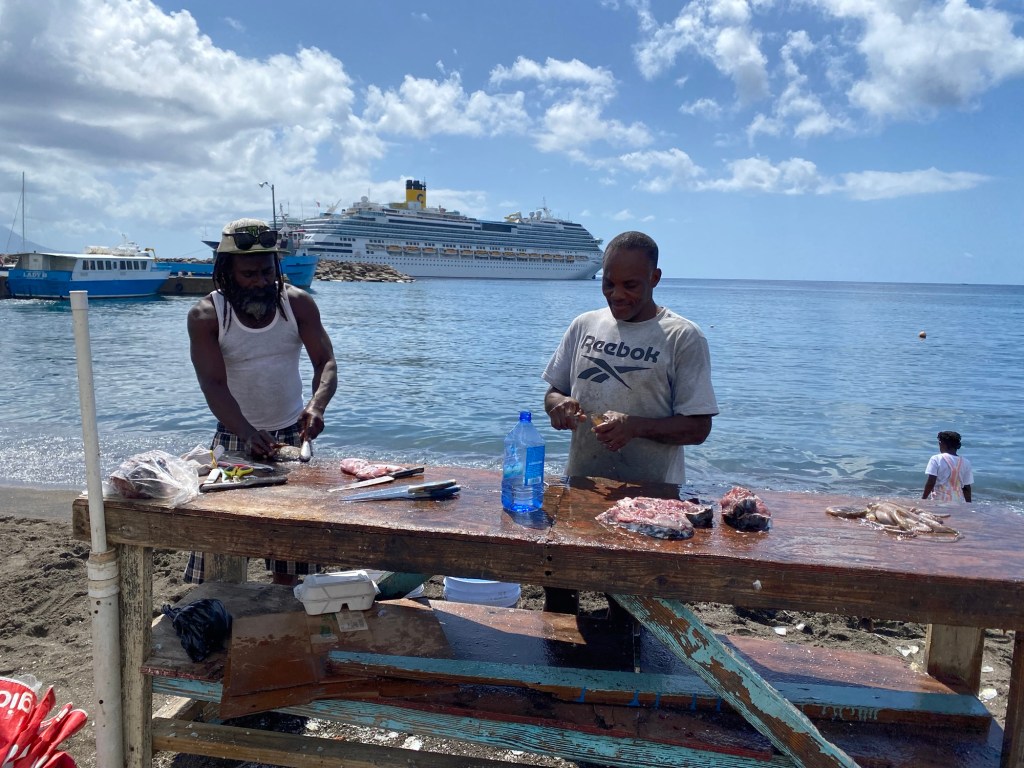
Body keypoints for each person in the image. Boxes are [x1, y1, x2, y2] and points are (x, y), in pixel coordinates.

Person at [541, 230, 719, 613]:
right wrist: (559, 406)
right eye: (609, 283)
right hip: (581, 488)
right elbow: (553, 392)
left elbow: (698, 427)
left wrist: (635, 426)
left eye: (630, 285)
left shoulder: (682, 337)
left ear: (655, 278)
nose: (617, 294)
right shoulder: (584, 325)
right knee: (559, 590)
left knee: (630, 609)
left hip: (652, 500)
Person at [184, 217, 338, 585]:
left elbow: (326, 362)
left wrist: (316, 406)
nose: (260, 282)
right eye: (248, 274)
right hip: (234, 435)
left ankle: (287, 599)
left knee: (293, 554)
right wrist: (248, 433)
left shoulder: (298, 304)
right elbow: (213, 384)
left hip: (291, 435)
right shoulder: (206, 316)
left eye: (267, 272)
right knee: (220, 547)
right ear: (227, 272)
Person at [922, 431, 973, 502]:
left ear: (942, 444)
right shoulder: (966, 462)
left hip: (940, 500)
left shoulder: (936, 459)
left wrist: (923, 499)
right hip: (959, 502)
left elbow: (931, 482)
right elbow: (966, 487)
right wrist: (969, 504)